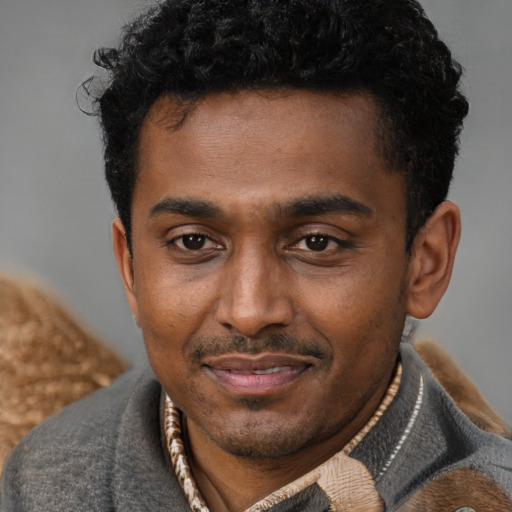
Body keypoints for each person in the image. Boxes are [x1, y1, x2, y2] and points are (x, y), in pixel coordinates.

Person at [2, 0, 511, 510]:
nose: (249, 311)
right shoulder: (44, 481)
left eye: (317, 242)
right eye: (193, 242)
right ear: (131, 267)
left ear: (426, 262)